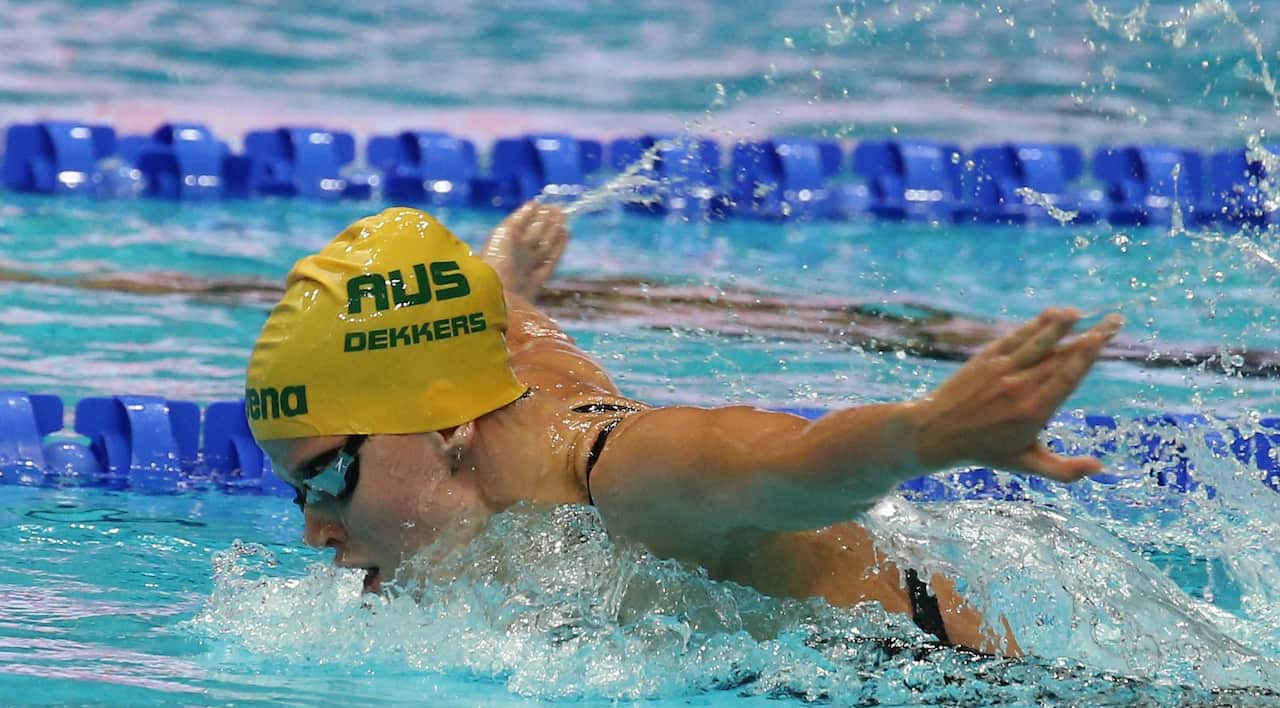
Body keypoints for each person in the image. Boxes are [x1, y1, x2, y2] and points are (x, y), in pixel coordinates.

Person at [245, 202, 1123, 657]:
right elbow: (500, 316)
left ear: (448, 428)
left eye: (327, 478)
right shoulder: (490, 374)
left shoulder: (627, 475)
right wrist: (504, 274)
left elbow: (793, 465)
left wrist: (930, 435)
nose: (316, 528)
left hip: (943, 680)